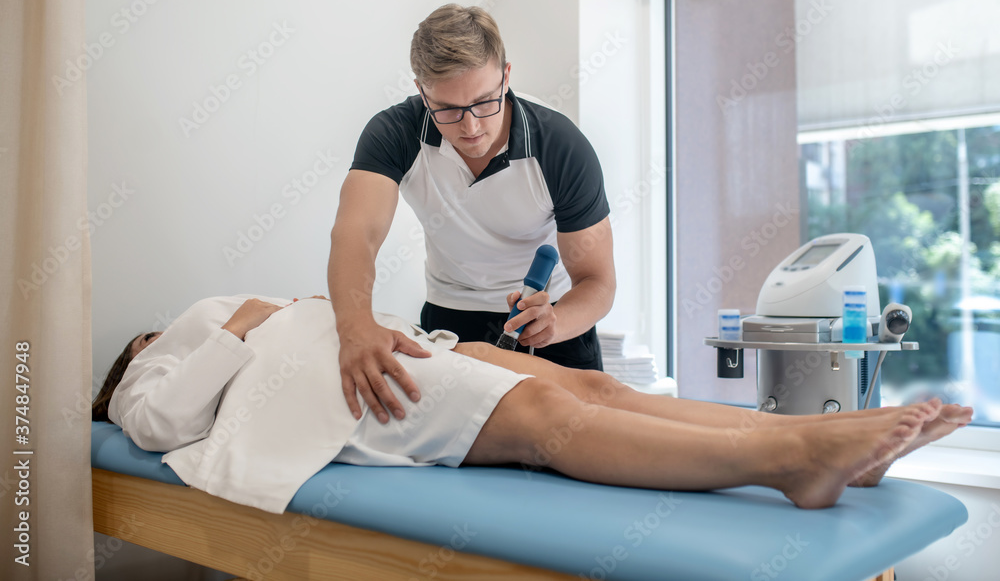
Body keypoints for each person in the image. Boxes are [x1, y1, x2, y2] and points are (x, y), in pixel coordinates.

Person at [94, 295, 972, 515]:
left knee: (596, 385)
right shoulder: (147, 373)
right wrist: (240, 330)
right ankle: (791, 464)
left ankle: (817, 434)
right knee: (549, 429)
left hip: (408, 348)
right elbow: (160, 426)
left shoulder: (203, 317)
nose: (148, 332)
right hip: (360, 395)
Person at [329, 3, 616, 426]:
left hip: (553, 320)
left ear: (506, 76)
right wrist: (354, 328)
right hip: (451, 321)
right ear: (421, 91)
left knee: (590, 443)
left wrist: (555, 322)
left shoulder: (559, 146)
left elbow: (599, 282)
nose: (471, 127)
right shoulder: (395, 133)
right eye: (446, 109)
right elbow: (357, 235)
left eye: (485, 102)